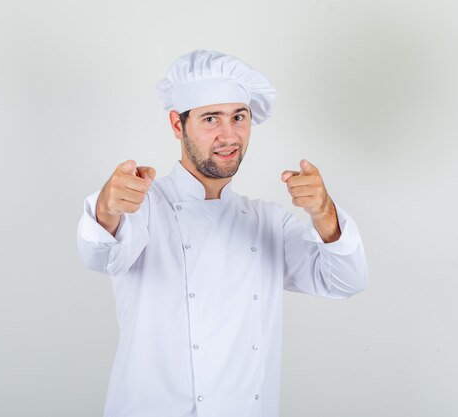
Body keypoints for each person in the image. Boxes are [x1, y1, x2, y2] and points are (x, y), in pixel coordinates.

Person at [76, 49, 368, 417]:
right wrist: (106, 208)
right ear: (177, 125)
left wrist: (324, 213)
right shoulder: (143, 207)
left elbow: (346, 280)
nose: (229, 135)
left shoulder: (267, 222)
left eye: (238, 117)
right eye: (210, 118)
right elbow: (100, 255)